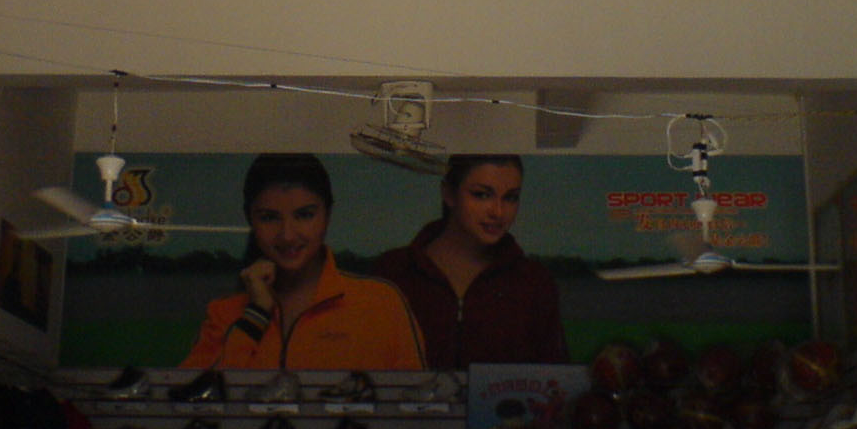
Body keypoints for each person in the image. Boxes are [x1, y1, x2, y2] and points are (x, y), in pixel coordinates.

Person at [180, 153, 426, 370]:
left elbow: (415, 403)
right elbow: (195, 400)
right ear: (250, 219)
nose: (287, 235)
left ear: (327, 215)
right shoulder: (224, 313)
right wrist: (255, 316)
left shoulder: (382, 303)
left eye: (304, 215)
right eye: (269, 218)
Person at [372, 154, 568, 368]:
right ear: (449, 193)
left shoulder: (535, 283)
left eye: (511, 198)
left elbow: (555, 378)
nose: (498, 212)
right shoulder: (392, 272)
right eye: (482, 195)